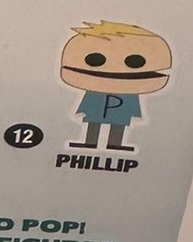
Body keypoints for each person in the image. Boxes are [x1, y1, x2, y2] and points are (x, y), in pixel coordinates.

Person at [59, 21, 172, 151]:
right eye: (95, 59)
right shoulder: (94, 90)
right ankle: (90, 142)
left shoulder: (130, 93)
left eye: (135, 62)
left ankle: (114, 144)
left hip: (123, 104)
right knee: (93, 121)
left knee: (119, 123)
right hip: (97, 103)